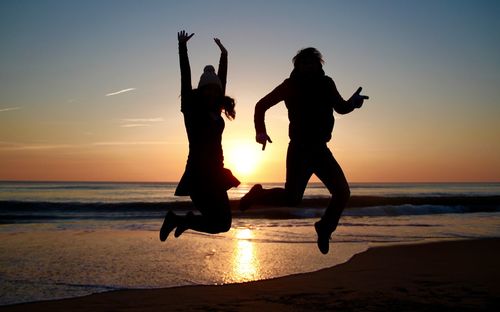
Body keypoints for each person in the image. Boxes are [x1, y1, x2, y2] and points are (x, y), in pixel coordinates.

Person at [240, 47, 368, 254]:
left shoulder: (327, 84)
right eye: (303, 62)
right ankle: (258, 194)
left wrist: (353, 103)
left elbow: (341, 108)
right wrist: (260, 133)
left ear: (319, 65)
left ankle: (324, 227)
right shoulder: (289, 86)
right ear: (297, 66)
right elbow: (260, 106)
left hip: (320, 150)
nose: (308, 66)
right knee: (292, 198)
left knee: (342, 192)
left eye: (312, 62)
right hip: (299, 150)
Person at [160, 30, 240, 241]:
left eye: (215, 90)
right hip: (198, 175)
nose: (212, 93)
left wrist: (224, 55)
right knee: (220, 223)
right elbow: (185, 79)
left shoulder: (216, 109)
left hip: (216, 173)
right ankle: (178, 220)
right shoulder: (191, 109)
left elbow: (221, 81)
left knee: (223, 224)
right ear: (201, 91)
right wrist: (182, 47)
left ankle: (180, 220)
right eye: (208, 90)